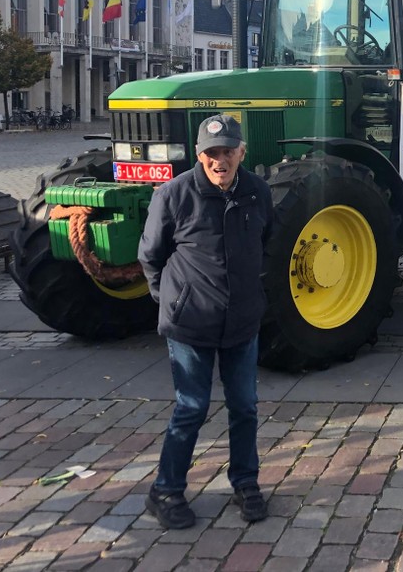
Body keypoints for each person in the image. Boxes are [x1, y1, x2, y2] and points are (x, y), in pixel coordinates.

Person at [137, 114, 274, 530]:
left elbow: (267, 242)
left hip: (242, 323)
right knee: (192, 407)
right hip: (191, 324)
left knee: (244, 407)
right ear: (200, 155)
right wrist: (173, 302)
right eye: (212, 153)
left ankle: (246, 482)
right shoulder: (174, 195)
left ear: (242, 152)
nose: (220, 160)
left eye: (228, 151)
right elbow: (150, 256)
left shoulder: (257, 192)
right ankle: (165, 491)